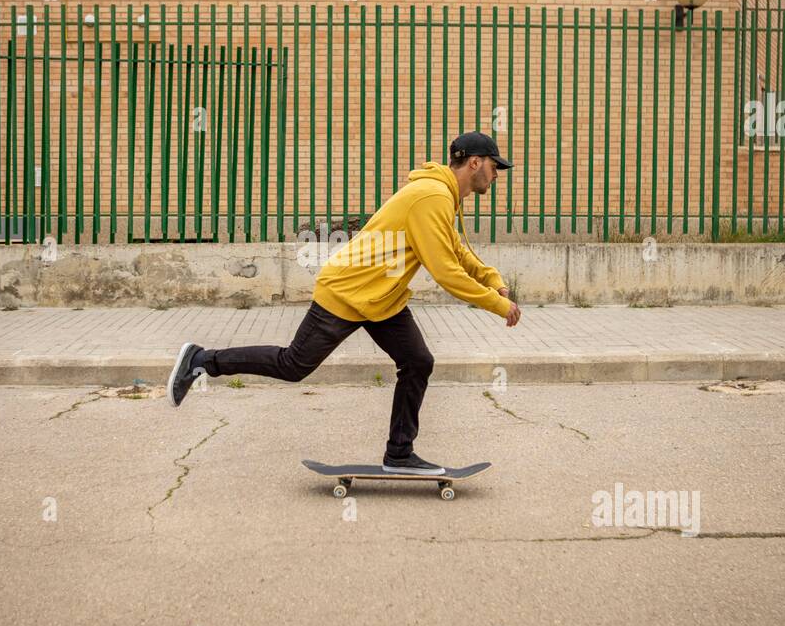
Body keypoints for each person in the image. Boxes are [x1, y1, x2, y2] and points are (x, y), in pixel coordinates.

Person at [166, 130, 521, 474]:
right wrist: (498, 305)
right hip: (349, 291)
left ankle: (399, 453)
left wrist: (494, 282)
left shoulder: (441, 197)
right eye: (494, 166)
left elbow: (458, 251)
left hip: (382, 298)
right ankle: (201, 360)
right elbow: (445, 271)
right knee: (294, 365)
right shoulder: (432, 196)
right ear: (474, 163)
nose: (496, 174)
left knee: (417, 362)